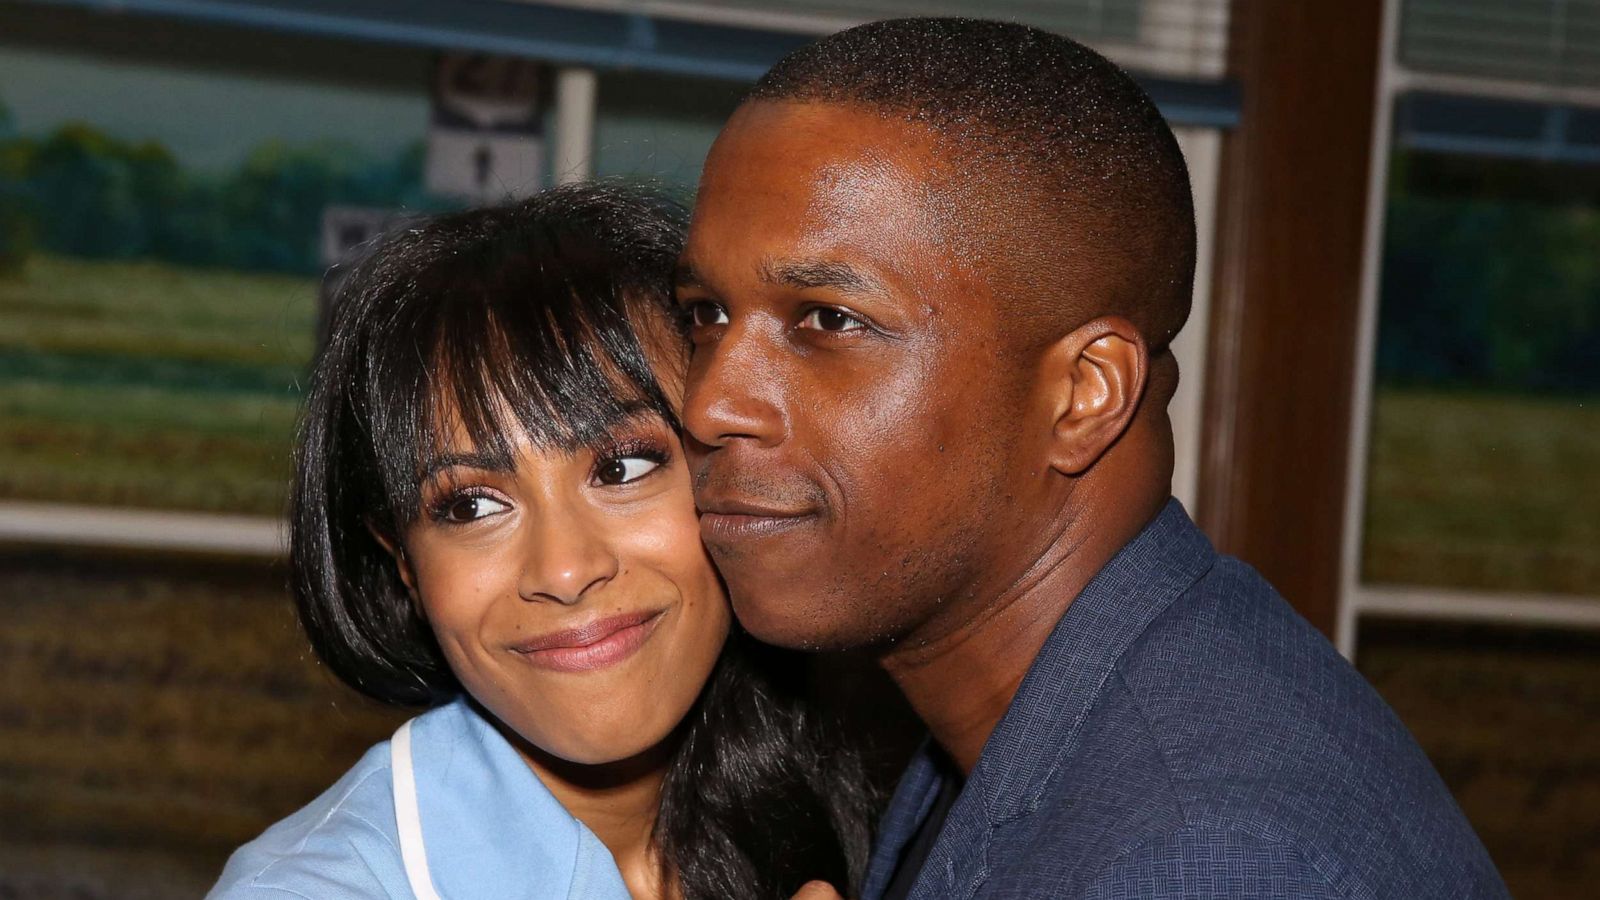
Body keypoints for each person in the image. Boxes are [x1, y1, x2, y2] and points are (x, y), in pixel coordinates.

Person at [674, 17, 1509, 900]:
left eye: (828, 320)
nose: (709, 403)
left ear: (1084, 395)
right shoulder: (1028, 716)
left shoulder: (1199, 859)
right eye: (705, 315)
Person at [209, 184, 873, 900]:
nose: (563, 568)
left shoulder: (877, 798)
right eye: (470, 506)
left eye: (622, 468)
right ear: (403, 561)